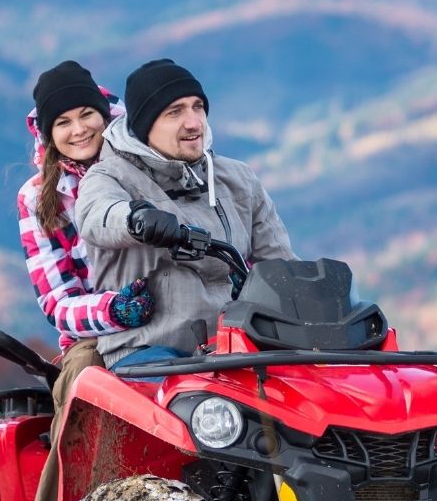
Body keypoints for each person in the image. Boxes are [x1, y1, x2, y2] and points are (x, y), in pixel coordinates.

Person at [74, 58, 294, 367]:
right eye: (174, 112)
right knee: (189, 401)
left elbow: (281, 265)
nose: (193, 122)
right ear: (145, 125)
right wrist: (135, 219)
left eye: (197, 107)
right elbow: (97, 215)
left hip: (236, 347)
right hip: (148, 350)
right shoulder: (109, 177)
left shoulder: (238, 179)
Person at [17, 59, 153, 501]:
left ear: (105, 112)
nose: (78, 130)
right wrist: (114, 310)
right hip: (95, 332)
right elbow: (57, 302)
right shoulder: (39, 198)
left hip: (174, 312)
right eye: (63, 122)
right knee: (85, 383)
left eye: (86, 115)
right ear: (47, 133)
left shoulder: (142, 163)